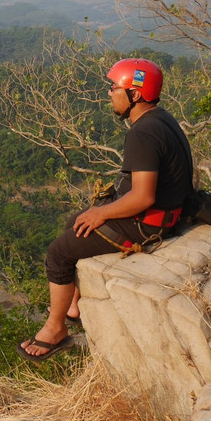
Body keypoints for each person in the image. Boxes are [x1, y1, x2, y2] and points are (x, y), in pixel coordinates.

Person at [17, 58, 193, 362]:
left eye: (115, 87)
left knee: (58, 254)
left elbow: (142, 197)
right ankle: (72, 306)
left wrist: (103, 213)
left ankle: (55, 330)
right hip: (167, 213)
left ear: (135, 94)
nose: (109, 93)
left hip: (146, 224)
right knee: (76, 221)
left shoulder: (142, 133)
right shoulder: (161, 119)